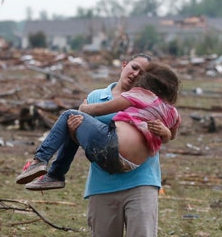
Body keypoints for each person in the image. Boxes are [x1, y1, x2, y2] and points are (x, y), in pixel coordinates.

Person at [35, 53, 170, 237]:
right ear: (124, 65)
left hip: (141, 183)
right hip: (103, 185)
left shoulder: (152, 100)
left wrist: (165, 131)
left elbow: (169, 131)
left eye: (143, 72)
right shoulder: (96, 97)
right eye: (134, 67)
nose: (136, 74)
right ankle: (49, 170)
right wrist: (74, 133)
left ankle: (47, 167)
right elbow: (90, 141)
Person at [15, 61, 180, 195]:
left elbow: (98, 110)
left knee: (70, 116)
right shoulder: (173, 112)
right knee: (77, 123)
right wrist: (165, 132)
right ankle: (54, 175)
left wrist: (84, 107)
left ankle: (42, 162)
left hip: (112, 148)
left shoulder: (140, 94)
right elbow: (171, 136)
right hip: (128, 165)